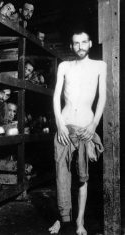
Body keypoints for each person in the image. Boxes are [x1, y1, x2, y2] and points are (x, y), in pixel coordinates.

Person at [49, 30, 106, 235]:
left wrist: (94, 125)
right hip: (65, 127)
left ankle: (80, 222)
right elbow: (56, 97)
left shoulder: (100, 66)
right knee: (61, 175)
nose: (80, 46)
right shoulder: (64, 66)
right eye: (76, 43)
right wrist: (60, 124)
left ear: (90, 43)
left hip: (85, 128)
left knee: (82, 177)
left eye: (84, 42)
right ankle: (61, 218)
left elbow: (102, 98)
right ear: (71, 46)